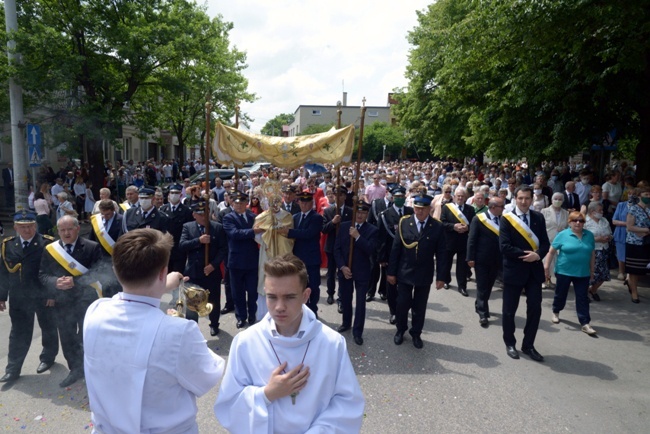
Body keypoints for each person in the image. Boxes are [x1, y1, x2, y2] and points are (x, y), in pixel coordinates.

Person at [84, 229, 224, 433]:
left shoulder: (95, 311)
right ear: (162, 272)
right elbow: (206, 376)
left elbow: (133, 299)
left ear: (116, 270)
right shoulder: (178, 332)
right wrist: (177, 324)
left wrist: (162, 285)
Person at [214, 254, 364, 433]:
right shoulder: (246, 342)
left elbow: (347, 403)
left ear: (305, 295)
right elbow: (228, 404)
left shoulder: (331, 343)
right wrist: (267, 394)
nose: (279, 307)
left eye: (289, 297)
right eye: (272, 297)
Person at [39, 215, 104, 387]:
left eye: (69, 229)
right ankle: (75, 369)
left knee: (85, 335)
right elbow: (43, 275)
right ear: (58, 231)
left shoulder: (92, 247)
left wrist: (76, 281)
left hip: (85, 299)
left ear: (77, 228)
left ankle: (88, 367)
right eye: (62, 230)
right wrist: (55, 282)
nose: (66, 233)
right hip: (62, 301)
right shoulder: (50, 249)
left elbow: (99, 272)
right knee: (67, 337)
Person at [0, 212, 58, 384]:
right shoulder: (8, 245)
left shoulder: (48, 243)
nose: (27, 230)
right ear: (15, 227)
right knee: (18, 333)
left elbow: (54, 270)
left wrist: (52, 294)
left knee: (48, 328)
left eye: (30, 226)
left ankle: (48, 357)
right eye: (22, 226)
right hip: (19, 297)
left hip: (42, 295)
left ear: (35, 226)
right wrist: (1, 296)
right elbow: (3, 272)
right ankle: (13, 369)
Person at [387, 194, 446, 349]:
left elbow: (442, 253)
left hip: (424, 273)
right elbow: (396, 249)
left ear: (429, 210)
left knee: (420, 306)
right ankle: (400, 330)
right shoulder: (404, 223)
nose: (419, 212)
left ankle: (416, 333)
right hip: (405, 271)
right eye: (417, 209)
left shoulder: (437, 226)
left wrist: (441, 277)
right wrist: (391, 272)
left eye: (423, 209)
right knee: (402, 303)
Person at [500, 185, 550, 361]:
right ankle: (510, 343)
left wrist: (537, 255)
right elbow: (504, 247)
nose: (523, 201)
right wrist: (526, 256)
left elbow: (545, 243)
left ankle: (528, 345)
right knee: (509, 310)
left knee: (535, 309)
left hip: (534, 271)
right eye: (520, 198)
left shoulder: (538, 217)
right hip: (514, 270)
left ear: (531, 199)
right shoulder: (507, 219)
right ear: (515, 198)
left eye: (527, 198)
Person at [179, 199, 228, 336]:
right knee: (193, 302)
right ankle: (192, 328)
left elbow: (223, 249)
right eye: (200, 214)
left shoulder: (217, 227)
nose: (203, 217)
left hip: (211, 272)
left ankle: (214, 324)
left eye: (205, 214)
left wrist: (213, 265)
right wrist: (198, 241)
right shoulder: (188, 227)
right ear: (194, 215)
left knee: (213, 301)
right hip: (194, 272)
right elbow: (182, 245)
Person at [544, 211, 597, 335]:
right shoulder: (562, 235)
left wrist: (592, 270)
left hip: (583, 272)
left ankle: (585, 323)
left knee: (582, 297)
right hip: (564, 271)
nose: (578, 223)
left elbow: (592, 253)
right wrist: (546, 267)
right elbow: (551, 252)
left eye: (581, 221)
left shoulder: (589, 235)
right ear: (569, 222)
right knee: (560, 294)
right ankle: (556, 311)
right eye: (575, 220)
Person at [334, 201, 378, 345]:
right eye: (357, 213)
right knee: (346, 298)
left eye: (363, 213)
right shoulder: (345, 226)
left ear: (367, 215)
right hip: (346, 270)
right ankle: (346, 323)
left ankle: (358, 331)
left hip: (362, 271)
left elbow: (371, 249)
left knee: (360, 302)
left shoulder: (372, 230)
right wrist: (342, 266)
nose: (360, 215)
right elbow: (337, 249)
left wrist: (358, 237)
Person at [222, 191, 263, 328]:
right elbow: (234, 234)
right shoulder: (228, 218)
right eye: (236, 203)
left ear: (247, 204)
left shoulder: (253, 217)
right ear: (232, 203)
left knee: (252, 291)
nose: (239, 205)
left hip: (252, 260)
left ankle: (252, 314)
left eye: (242, 203)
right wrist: (253, 232)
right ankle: (241, 317)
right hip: (236, 261)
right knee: (237, 292)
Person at [278, 191, 321, 314]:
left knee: (313, 286)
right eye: (302, 202)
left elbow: (309, 233)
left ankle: (313, 310)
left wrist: (289, 232)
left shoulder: (316, 217)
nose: (304, 205)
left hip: (311, 258)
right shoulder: (295, 217)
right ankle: (299, 310)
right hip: (297, 257)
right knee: (298, 286)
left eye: (307, 203)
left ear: (311, 203)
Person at [377, 186, 414, 324]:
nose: (399, 199)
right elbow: (380, 238)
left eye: (401, 197)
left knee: (406, 285)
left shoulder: (411, 212)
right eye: (396, 197)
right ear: (392, 198)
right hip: (390, 256)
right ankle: (393, 312)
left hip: (407, 256)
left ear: (405, 198)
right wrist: (381, 258)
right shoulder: (385, 214)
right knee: (391, 286)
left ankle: (403, 309)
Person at [466, 197, 504, 327]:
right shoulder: (479, 219)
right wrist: (470, 257)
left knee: (489, 285)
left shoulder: (503, 219)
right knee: (482, 286)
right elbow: (472, 239)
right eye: (501, 207)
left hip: (497, 259)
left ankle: (479, 303)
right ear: (493, 207)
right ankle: (483, 313)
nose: (503, 209)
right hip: (481, 259)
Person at [440, 186, 476, 296]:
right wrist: (453, 226)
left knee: (462, 266)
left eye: (462, 196)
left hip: (464, 241)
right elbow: (442, 223)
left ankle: (462, 286)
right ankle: (446, 281)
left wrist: (467, 228)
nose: (460, 198)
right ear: (454, 197)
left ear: (465, 198)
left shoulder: (470, 209)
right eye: (458, 196)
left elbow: (474, 225)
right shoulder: (447, 207)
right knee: (447, 263)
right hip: (449, 240)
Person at [322, 186, 353, 309]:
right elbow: (323, 229)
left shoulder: (350, 211)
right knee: (331, 272)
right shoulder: (328, 211)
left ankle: (341, 298)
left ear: (345, 196)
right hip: (331, 246)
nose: (338, 197)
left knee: (342, 273)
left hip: (344, 248)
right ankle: (330, 293)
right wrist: (333, 222)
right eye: (336, 194)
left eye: (341, 195)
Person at [624, 186, 650, 303]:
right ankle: (634, 292)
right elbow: (629, 227)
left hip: (645, 243)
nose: (648, 197)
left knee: (641, 269)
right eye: (646, 194)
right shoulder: (633, 209)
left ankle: (631, 284)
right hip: (634, 243)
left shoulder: (649, 210)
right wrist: (645, 230)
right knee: (634, 269)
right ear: (639, 196)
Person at [540, 192, 569, 288]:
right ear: (552, 200)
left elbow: (569, 227)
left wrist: (564, 230)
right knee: (546, 260)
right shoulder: (544, 211)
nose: (557, 201)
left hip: (560, 240)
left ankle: (550, 280)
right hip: (547, 238)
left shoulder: (566, 213)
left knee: (556, 261)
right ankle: (544, 280)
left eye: (560, 199)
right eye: (555, 199)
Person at [585, 202, 612, 301]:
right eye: (600, 210)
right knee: (590, 273)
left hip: (604, 250)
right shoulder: (585, 221)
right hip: (592, 250)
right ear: (592, 211)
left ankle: (593, 290)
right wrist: (596, 239)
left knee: (603, 274)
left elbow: (610, 232)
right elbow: (582, 237)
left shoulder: (604, 220)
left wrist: (609, 237)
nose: (602, 212)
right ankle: (584, 292)